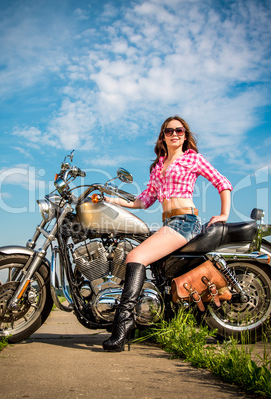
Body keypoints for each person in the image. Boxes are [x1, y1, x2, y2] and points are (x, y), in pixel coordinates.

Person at [102, 116, 233, 351]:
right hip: (169, 222)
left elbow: (222, 182)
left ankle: (123, 326)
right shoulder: (158, 166)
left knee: (135, 257)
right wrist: (111, 200)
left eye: (179, 130)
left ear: (185, 134)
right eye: (169, 131)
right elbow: (144, 201)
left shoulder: (192, 159)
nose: (175, 134)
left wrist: (224, 214)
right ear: (163, 136)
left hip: (185, 221)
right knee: (140, 256)